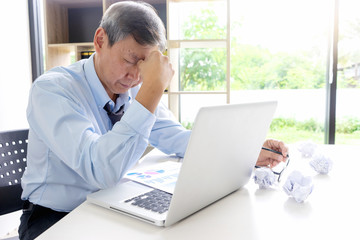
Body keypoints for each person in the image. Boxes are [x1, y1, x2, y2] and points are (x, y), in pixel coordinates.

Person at [18, 1, 288, 239]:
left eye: (146, 64)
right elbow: (101, 170)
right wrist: (152, 91)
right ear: (100, 40)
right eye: (131, 59)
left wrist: (245, 151)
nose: (137, 75)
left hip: (106, 207)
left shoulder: (132, 89)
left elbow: (177, 138)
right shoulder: (53, 90)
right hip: (54, 218)